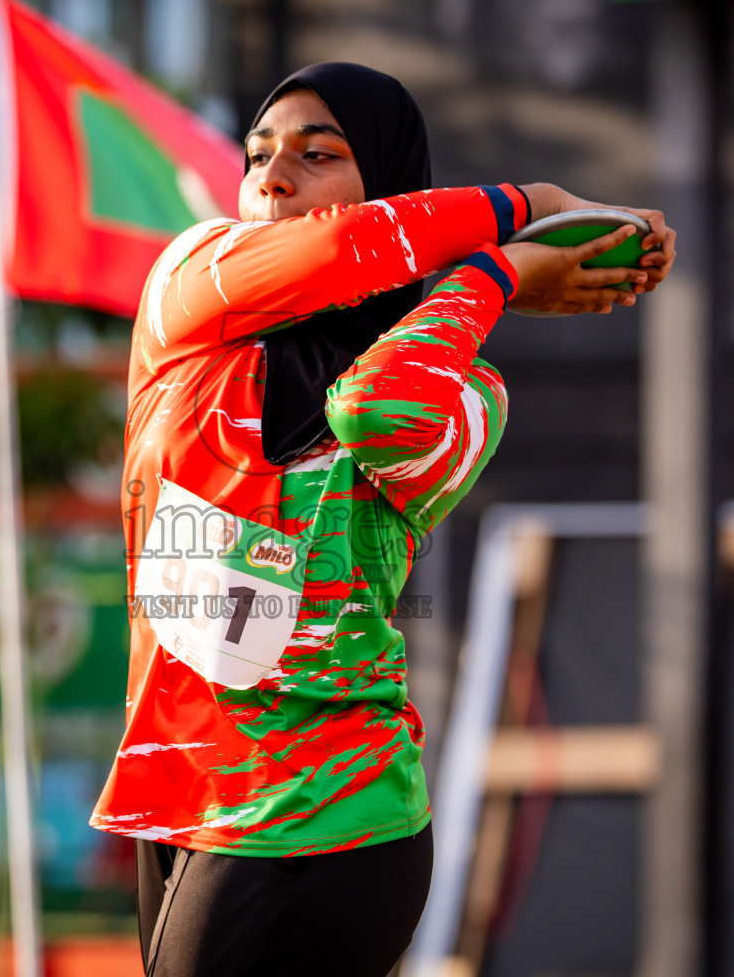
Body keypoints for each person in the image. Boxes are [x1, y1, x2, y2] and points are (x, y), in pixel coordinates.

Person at [90, 62, 676, 977]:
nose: (274, 174)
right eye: (258, 155)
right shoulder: (186, 295)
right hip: (178, 802)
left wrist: (492, 274)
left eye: (318, 154)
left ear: (390, 190)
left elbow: (373, 408)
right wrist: (533, 207)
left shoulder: (469, 392)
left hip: (330, 808)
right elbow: (334, 254)